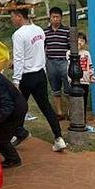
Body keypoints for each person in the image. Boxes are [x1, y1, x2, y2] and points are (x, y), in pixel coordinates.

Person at [10, 8, 67, 152]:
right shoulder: (39, 30)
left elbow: (19, 58)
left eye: (12, 17)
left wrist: (16, 81)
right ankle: (58, 137)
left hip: (26, 76)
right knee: (45, 106)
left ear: (19, 16)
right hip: (40, 74)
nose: (11, 20)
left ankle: (19, 132)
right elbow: (40, 52)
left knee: (18, 107)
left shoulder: (18, 34)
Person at [44, 7, 70, 120]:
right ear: (50, 18)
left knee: (68, 88)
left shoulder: (66, 31)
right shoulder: (45, 32)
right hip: (51, 62)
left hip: (64, 61)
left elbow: (71, 47)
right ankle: (59, 112)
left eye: (57, 17)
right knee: (55, 89)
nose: (55, 19)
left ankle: (71, 111)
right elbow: (43, 47)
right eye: (53, 17)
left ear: (61, 18)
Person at [67, 31, 95, 129]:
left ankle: (83, 120)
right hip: (74, 82)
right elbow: (68, 65)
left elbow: (90, 66)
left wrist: (92, 76)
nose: (79, 42)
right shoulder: (69, 53)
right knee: (74, 101)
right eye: (77, 40)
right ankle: (74, 118)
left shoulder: (87, 53)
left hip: (85, 81)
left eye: (82, 40)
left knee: (84, 100)